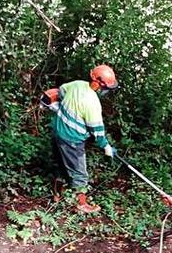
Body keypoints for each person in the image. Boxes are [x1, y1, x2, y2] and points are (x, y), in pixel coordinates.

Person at [40, 64, 119, 213]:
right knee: (80, 173)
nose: (106, 92)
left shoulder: (77, 84)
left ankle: (57, 196)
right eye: (106, 88)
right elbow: (97, 130)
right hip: (72, 140)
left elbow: (60, 92)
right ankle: (81, 205)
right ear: (98, 83)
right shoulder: (93, 102)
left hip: (57, 132)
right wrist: (106, 147)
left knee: (60, 165)